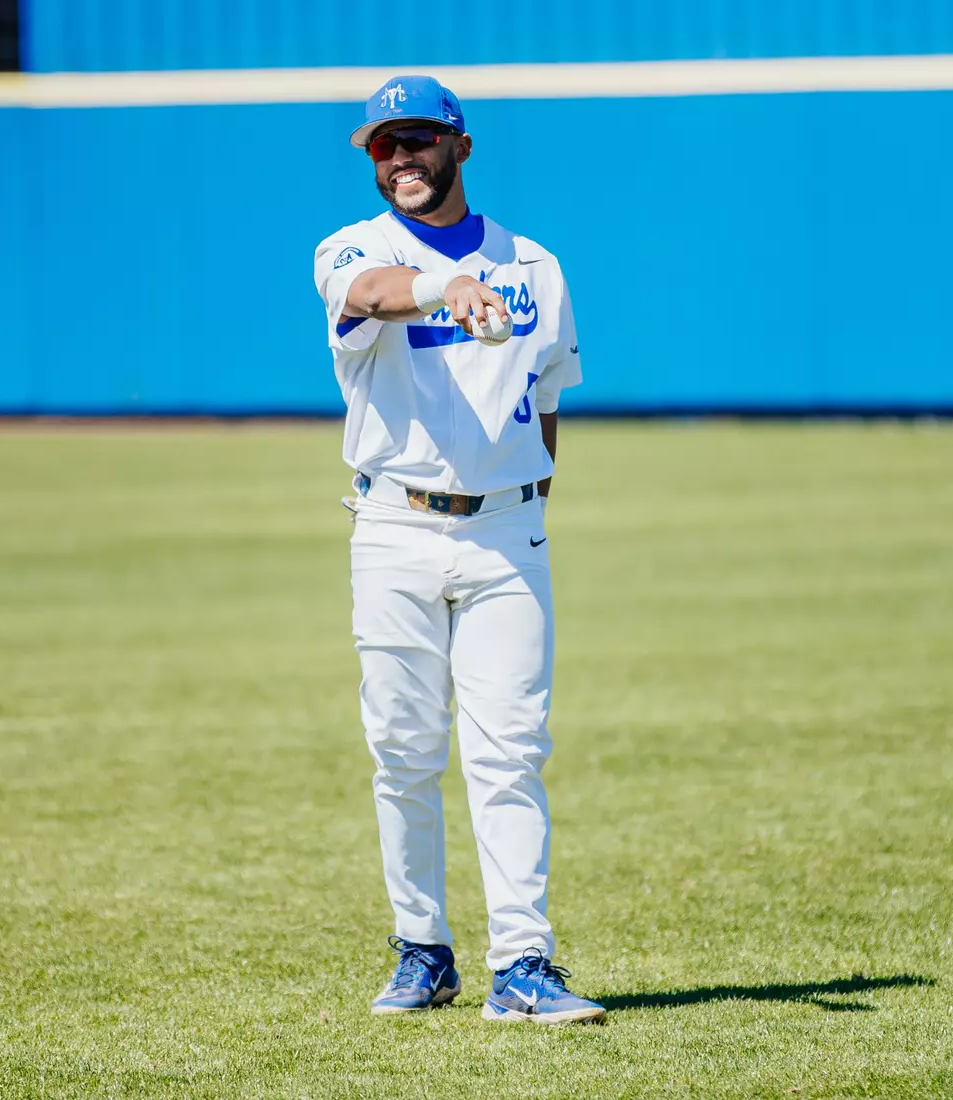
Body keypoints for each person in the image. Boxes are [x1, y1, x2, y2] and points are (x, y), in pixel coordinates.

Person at [312, 75, 604, 1026]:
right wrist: (451, 285)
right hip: (394, 525)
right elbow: (369, 294)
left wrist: (526, 506)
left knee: (510, 751)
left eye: (417, 140)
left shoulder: (538, 266)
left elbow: (548, 401)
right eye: (383, 144)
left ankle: (523, 965)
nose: (399, 157)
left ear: (459, 147)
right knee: (401, 750)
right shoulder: (354, 247)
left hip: (505, 532)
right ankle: (421, 948)